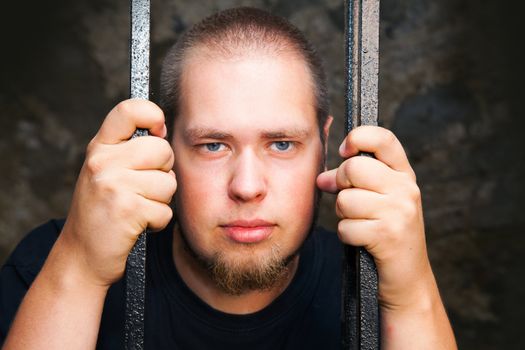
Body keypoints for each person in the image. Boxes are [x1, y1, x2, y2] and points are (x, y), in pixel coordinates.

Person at [0, 7, 456, 349]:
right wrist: (80, 267)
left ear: (324, 145)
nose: (246, 186)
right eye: (212, 145)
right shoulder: (54, 263)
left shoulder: (373, 282)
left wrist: (411, 296)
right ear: (164, 149)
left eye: (281, 144)